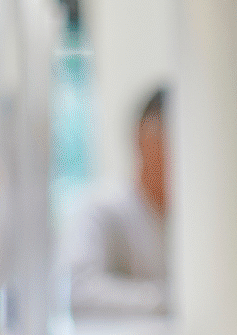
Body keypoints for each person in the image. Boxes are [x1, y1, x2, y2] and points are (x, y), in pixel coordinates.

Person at [68, 88, 170, 318]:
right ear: (141, 138)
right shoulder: (102, 209)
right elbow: (78, 293)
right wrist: (165, 300)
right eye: (166, 138)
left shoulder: (199, 220)